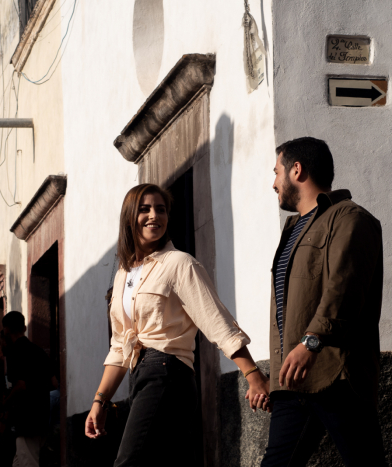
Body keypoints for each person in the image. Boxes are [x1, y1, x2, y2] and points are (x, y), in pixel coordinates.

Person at [85, 183, 271, 467]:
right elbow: (120, 346)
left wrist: (253, 374)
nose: (154, 216)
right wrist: (99, 401)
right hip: (142, 376)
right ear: (128, 217)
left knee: (128, 462)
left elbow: (216, 321)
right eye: (144, 209)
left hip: (167, 373)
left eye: (161, 209)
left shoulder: (180, 264)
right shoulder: (124, 273)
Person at [261, 137, 385, 466]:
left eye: (276, 172)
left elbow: (343, 288)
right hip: (293, 380)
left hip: (336, 373)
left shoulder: (350, 218)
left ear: (296, 170)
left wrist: (310, 343)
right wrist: (275, 379)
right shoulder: (293, 229)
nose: (273, 182)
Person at [0, 311, 52, 467]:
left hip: (26, 418)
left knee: (27, 462)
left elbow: (21, 385)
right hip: (42, 414)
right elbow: (53, 382)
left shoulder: (15, 352)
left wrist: (6, 402)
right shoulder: (39, 351)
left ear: (6, 330)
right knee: (19, 462)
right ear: (23, 327)